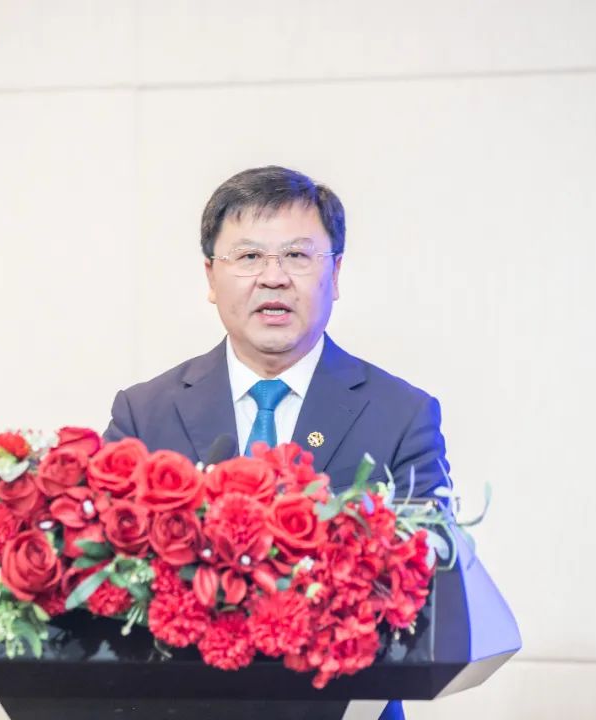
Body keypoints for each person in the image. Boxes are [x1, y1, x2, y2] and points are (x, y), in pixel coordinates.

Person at [103, 165, 449, 720]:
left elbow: (434, 577)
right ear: (211, 277)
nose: (273, 277)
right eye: (248, 256)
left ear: (335, 273)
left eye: (296, 255)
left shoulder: (401, 415)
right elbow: (105, 574)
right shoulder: (144, 413)